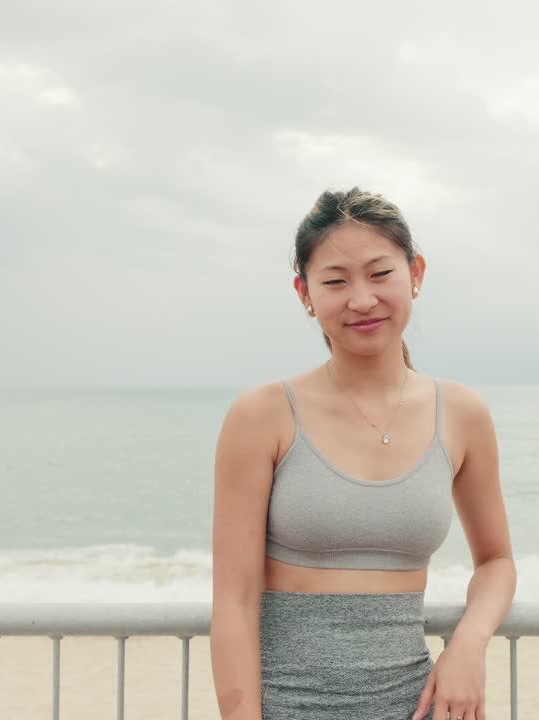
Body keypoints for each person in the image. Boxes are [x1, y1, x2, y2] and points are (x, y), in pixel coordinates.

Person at [210, 187, 516, 720]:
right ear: (304, 293)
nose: (361, 299)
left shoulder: (462, 412)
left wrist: (469, 643)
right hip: (287, 706)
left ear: (415, 273)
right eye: (334, 281)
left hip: (419, 705)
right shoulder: (262, 414)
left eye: (380, 274)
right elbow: (233, 601)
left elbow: (496, 561)